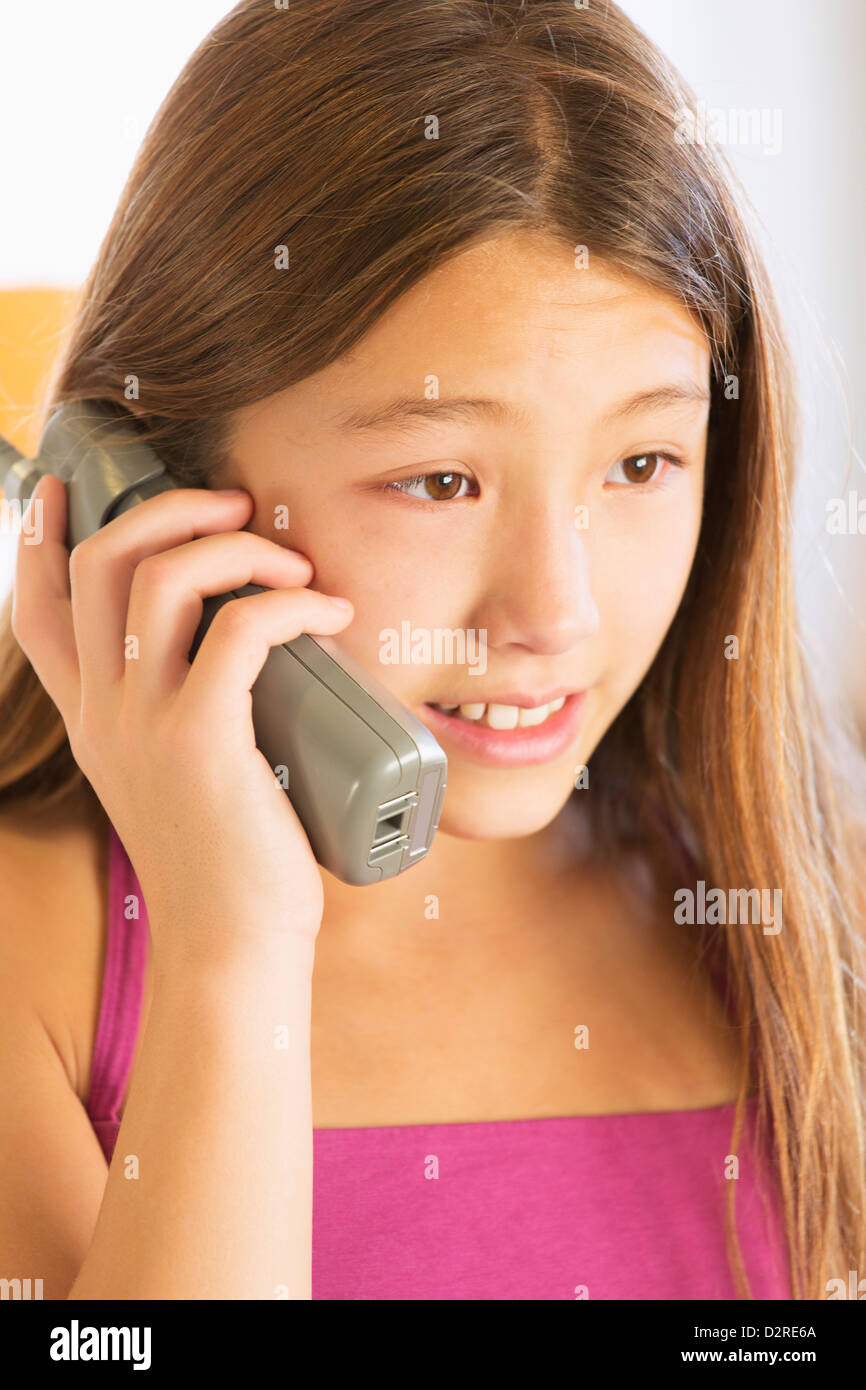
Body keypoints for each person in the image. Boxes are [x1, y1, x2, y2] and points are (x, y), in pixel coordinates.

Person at [1, 0, 863, 1301]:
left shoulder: (814, 905)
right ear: (152, 484)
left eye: (640, 462)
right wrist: (231, 955)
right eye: (441, 480)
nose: (553, 612)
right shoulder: (35, 953)